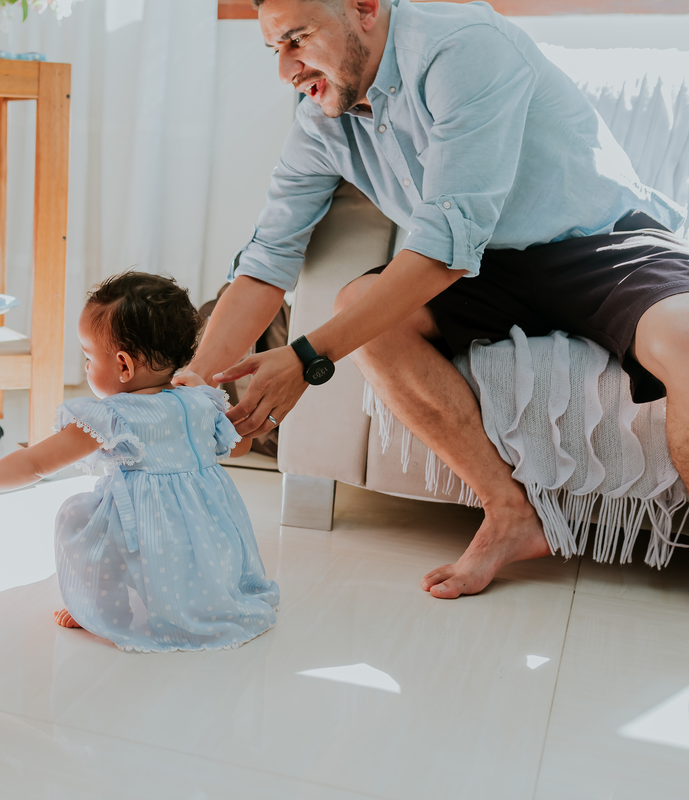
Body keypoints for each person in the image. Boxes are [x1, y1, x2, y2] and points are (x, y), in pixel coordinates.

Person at [178, 0, 689, 599]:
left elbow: (445, 246)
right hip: (488, 267)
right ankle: (510, 513)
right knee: (363, 304)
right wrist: (196, 382)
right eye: (276, 49)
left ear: (363, 8)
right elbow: (266, 263)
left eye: (298, 38)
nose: (286, 69)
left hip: (599, 242)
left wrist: (306, 358)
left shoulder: (462, 49)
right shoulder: (322, 120)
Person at [0, 272, 280, 652]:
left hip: (149, 528)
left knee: (80, 521)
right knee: (189, 546)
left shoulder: (115, 416)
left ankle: (98, 611)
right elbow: (239, 448)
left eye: (88, 357)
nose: (85, 366)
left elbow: (34, 463)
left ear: (123, 366)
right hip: (208, 523)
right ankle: (206, 600)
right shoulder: (199, 400)